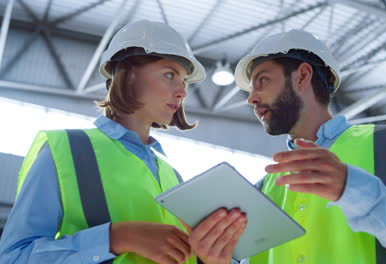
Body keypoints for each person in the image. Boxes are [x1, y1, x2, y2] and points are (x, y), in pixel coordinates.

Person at [0, 20, 246, 264]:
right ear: (127, 75)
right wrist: (117, 237)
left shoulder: (172, 176)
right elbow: (14, 257)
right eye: (169, 74)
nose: (182, 92)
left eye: (184, 82)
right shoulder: (65, 149)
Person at [234, 29, 386, 264]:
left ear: (302, 76)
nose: (251, 98)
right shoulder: (264, 190)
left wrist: (356, 191)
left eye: (262, 81)